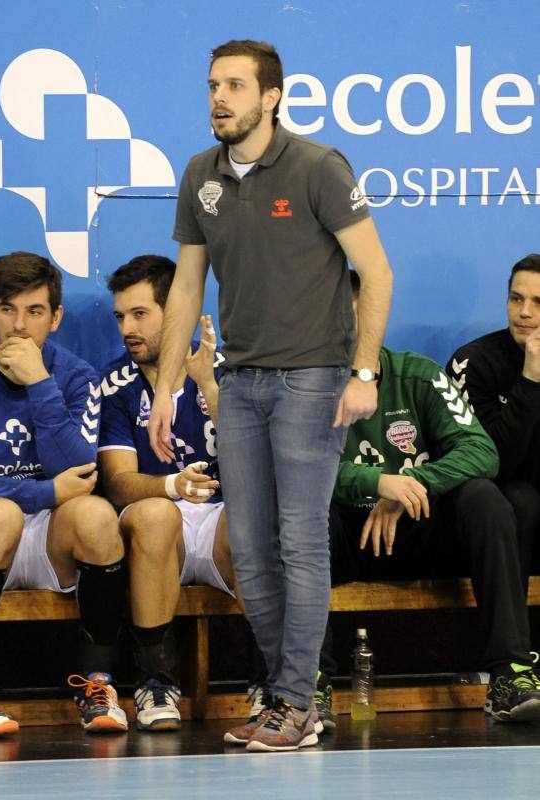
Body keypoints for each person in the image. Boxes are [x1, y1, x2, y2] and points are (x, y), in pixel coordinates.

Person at [147, 40, 393, 751]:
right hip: (240, 381)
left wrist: (364, 373)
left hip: (312, 379)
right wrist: (166, 390)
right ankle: (290, 698)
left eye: (232, 85)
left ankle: (293, 700)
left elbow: (374, 272)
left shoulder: (317, 166)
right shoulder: (201, 174)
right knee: (250, 551)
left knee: (299, 541)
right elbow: (187, 287)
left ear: (271, 96)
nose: (217, 98)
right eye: (211, 86)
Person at [318, 271, 540, 726]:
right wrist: (376, 483)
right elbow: (293, 470)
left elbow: (482, 451)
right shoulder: (303, 386)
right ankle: (309, 683)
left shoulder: (417, 374)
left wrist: (412, 485)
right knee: (303, 514)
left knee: (486, 497)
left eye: (355, 314)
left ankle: (509, 675)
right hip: (345, 538)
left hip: (415, 532)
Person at [0, 252, 127, 738]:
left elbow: (77, 472)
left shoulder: (76, 376)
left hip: (43, 540)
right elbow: (54, 485)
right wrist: (41, 492)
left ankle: (97, 685)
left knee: (96, 515)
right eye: (8, 310)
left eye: (35, 312)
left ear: (56, 318)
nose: (19, 327)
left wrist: (40, 384)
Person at [98, 254, 238, 731]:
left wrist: (210, 389)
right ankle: (155, 682)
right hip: (160, 532)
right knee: (156, 513)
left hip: (223, 520)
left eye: (140, 314)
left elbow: (259, 469)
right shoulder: (116, 384)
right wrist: (172, 485)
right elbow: (117, 484)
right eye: (120, 316)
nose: (126, 329)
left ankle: (272, 682)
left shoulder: (228, 367)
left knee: (259, 519)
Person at [447, 254, 540, 579]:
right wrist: (530, 381)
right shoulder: (473, 363)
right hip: (495, 508)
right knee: (520, 500)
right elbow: (492, 463)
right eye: (517, 299)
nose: (525, 312)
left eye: (538, 302)